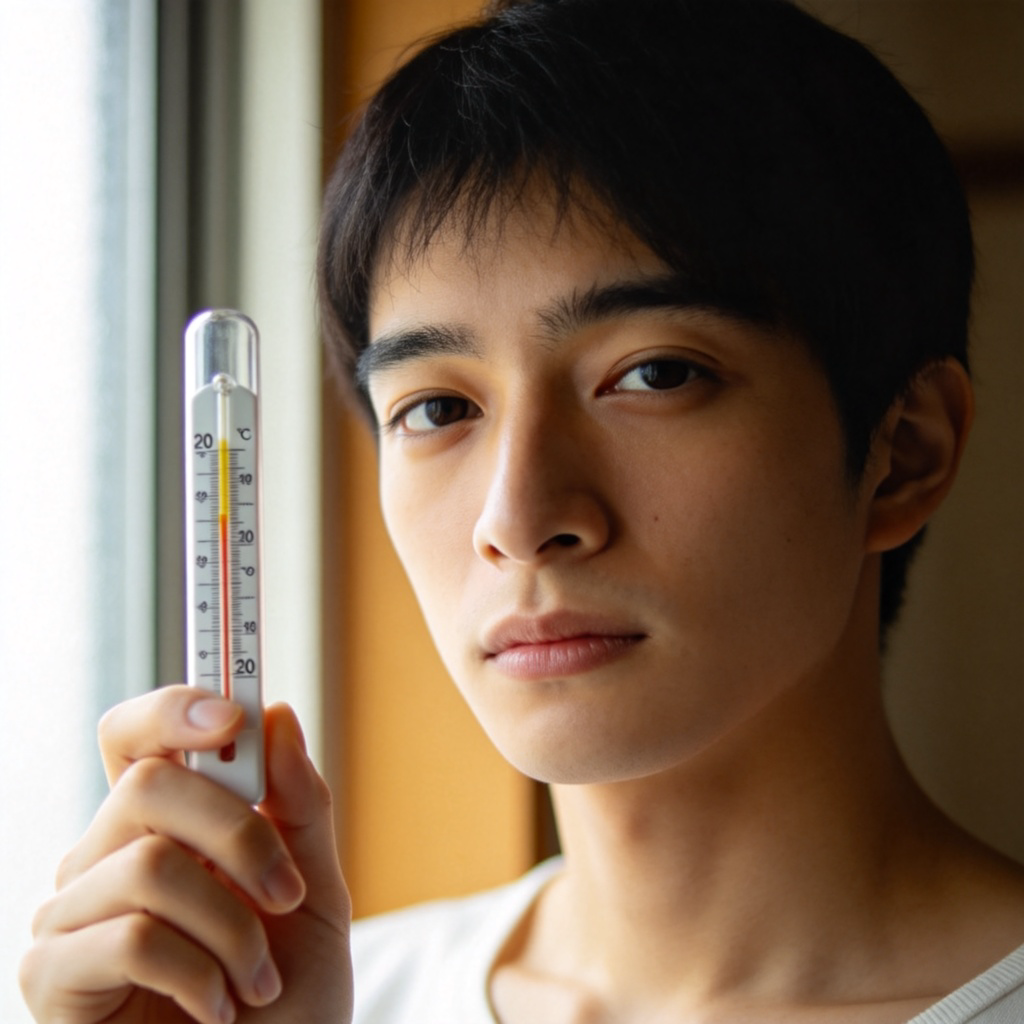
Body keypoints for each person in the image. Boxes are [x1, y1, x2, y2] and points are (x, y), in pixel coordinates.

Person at [20, 0, 1024, 1022]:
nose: (518, 513)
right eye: (439, 408)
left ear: (903, 454)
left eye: (654, 374)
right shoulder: (318, 998)